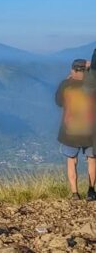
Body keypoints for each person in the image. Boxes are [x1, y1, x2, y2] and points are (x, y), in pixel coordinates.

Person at [55, 58, 96, 201]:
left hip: (70, 132)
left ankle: (75, 194)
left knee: (72, 161)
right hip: (91, 132)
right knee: (92, 160)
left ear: (74, 70)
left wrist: (67, 81)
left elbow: (59, 102)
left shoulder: (65, 85)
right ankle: (91, 191)